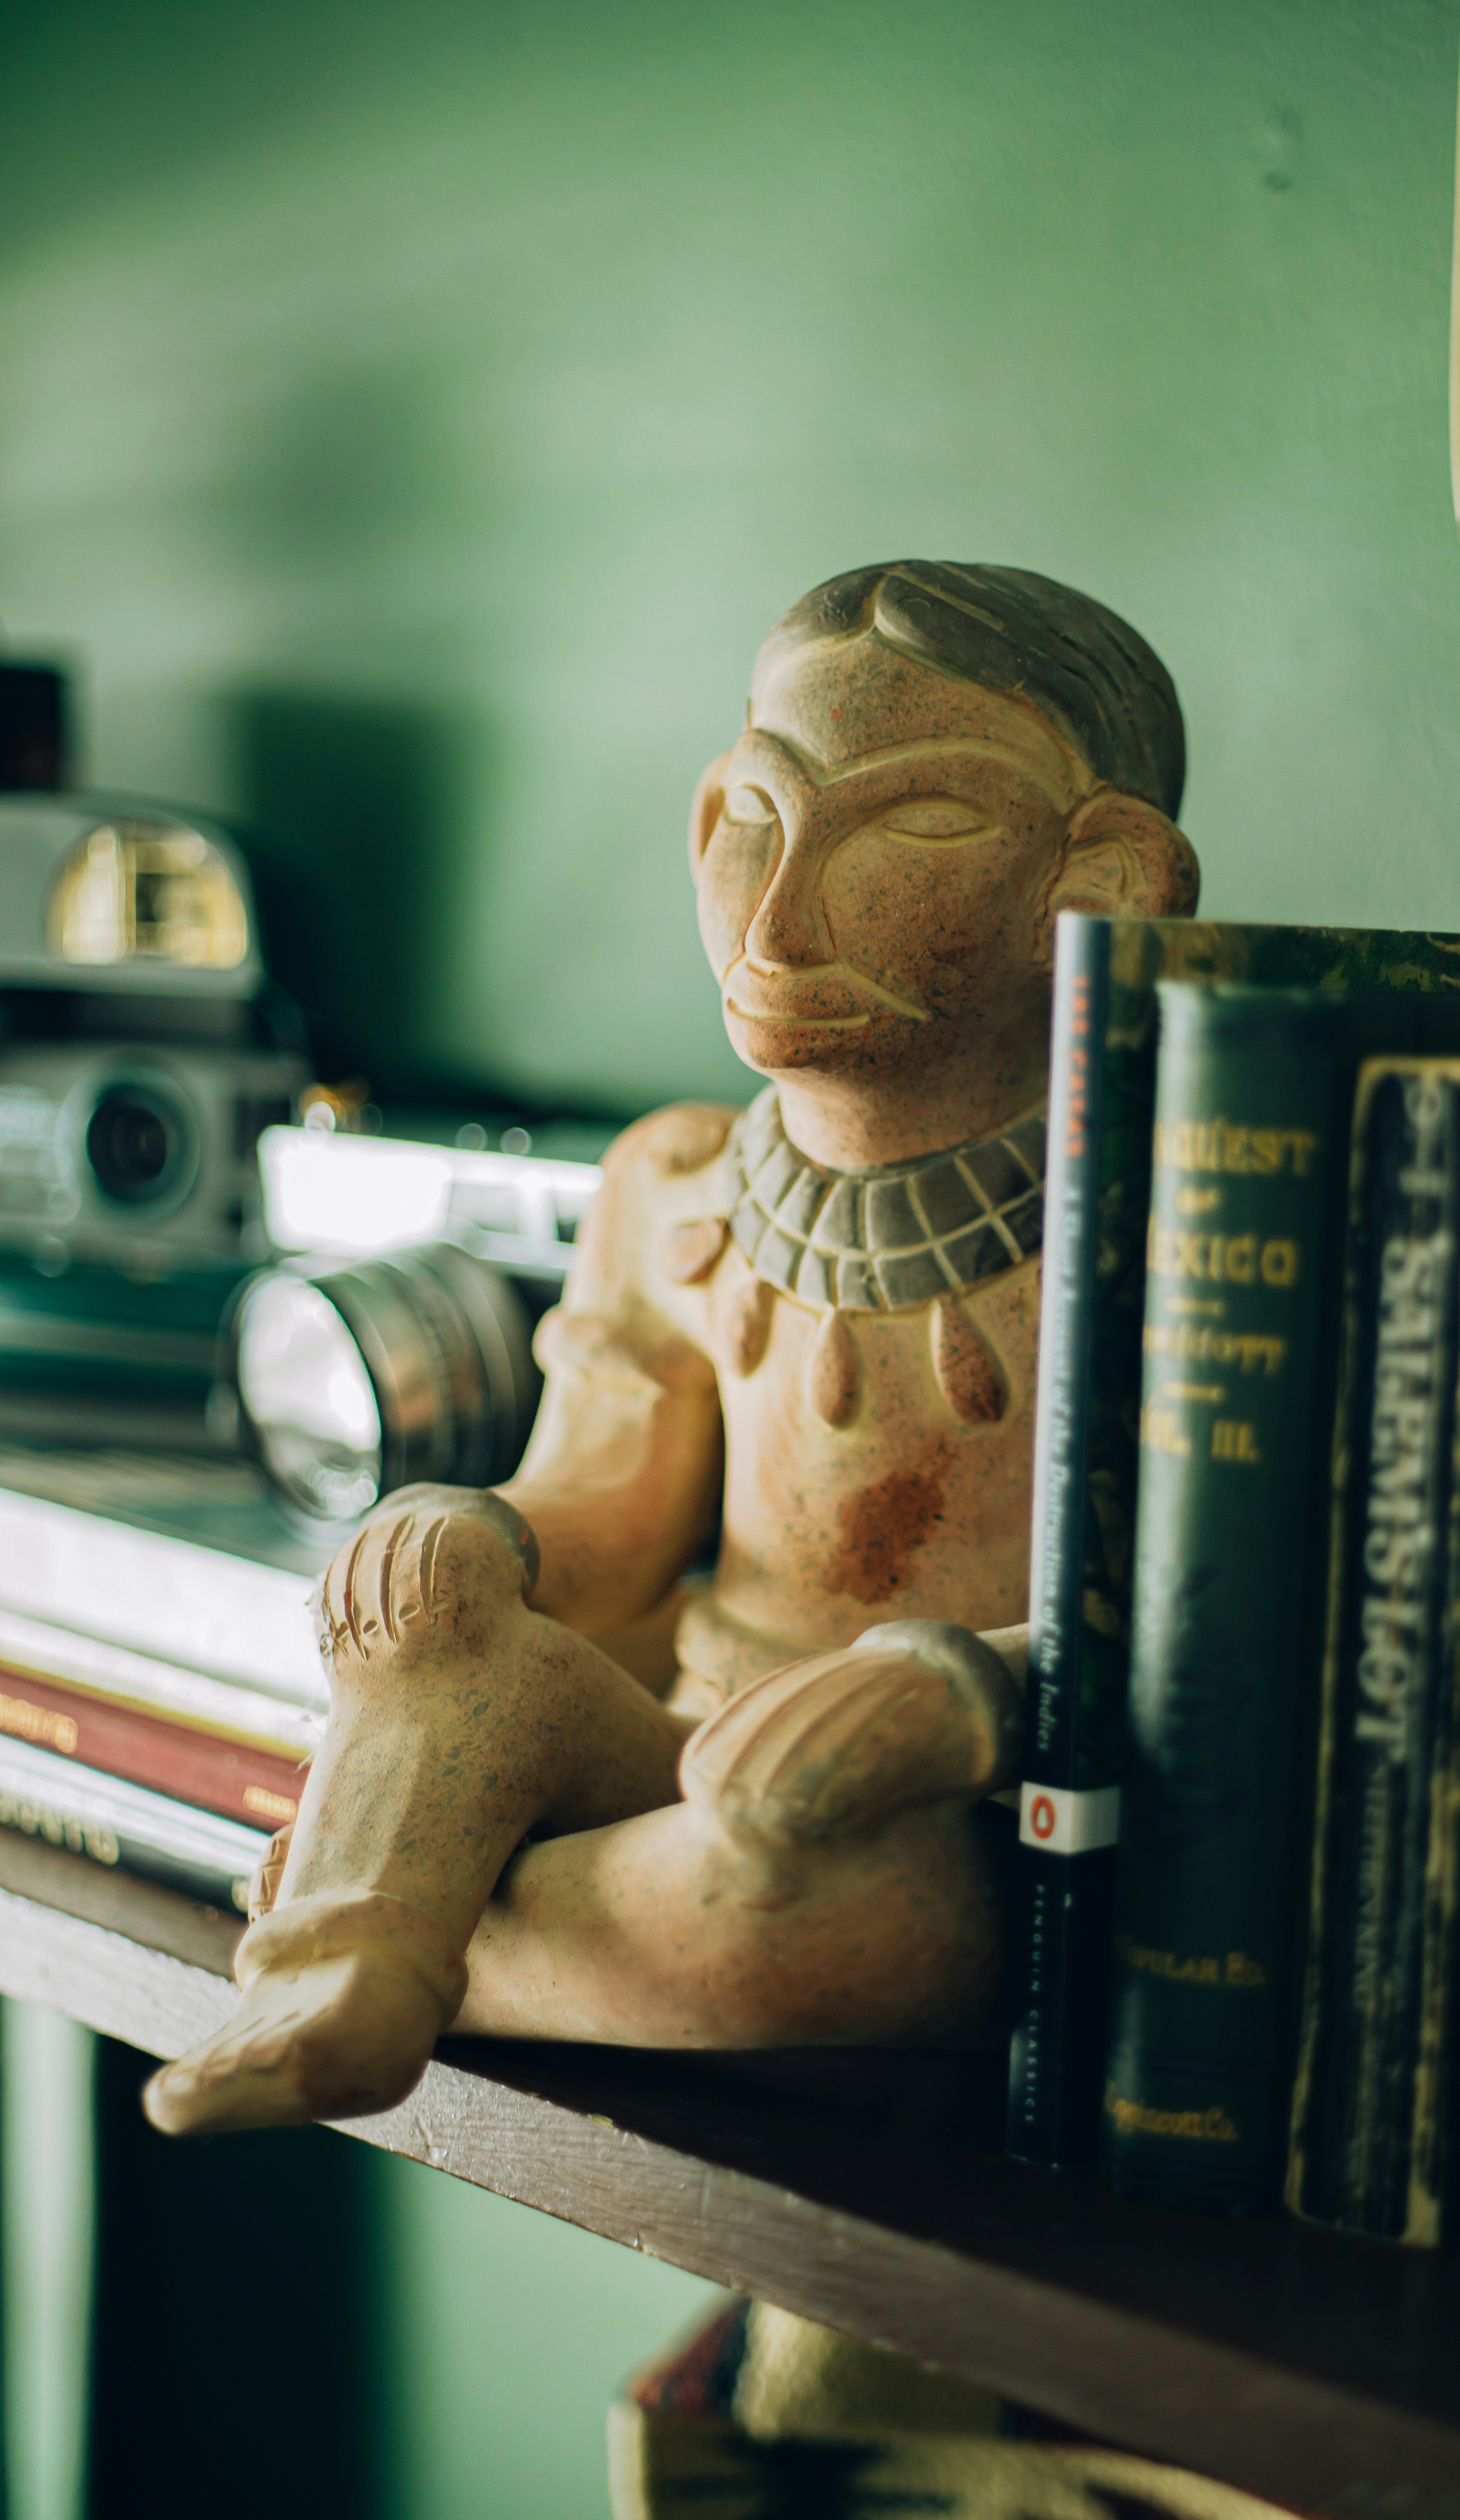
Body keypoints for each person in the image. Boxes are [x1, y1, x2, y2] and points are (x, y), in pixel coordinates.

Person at [145, 560, 1198, 2136]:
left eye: (913, 824)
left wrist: (955, 1697)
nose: (778, 915)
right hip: (666, 1754)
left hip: (939, 1818)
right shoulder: (679, 1184)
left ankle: (403, 1924)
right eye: (758, 819)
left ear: (1100, 876)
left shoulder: (1170, 1216)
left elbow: (1210, 1636)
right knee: (447, 1648)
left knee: (804, 1905)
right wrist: (473, 1535)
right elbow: (604, 1532)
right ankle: (359, 1951)